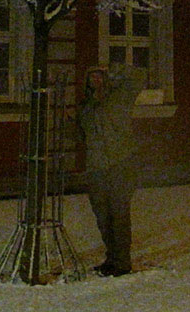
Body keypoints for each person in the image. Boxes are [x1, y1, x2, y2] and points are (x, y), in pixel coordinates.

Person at [78, 63, 145, 277]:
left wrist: (114, 70)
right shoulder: (86, 107)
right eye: (92, 78)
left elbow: (138, 75)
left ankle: (123, 262)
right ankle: (111, 257)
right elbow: (82, 135)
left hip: (120, 163)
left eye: (99, 77)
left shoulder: (120, 97)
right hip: (96, 167)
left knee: (119, 213)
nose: (95, 81)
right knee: (102, 215)